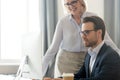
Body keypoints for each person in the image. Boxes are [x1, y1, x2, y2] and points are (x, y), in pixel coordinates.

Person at [42, 0, 120, 78]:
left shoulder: (93, 18)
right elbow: (52, 49)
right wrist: (41, 73)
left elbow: (107, 40)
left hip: (86, 57)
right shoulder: (63, 22)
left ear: (81, 2)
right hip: (67, 61)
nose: (70, 6)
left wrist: (117, 54)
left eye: (73, 2)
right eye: (67, 4)